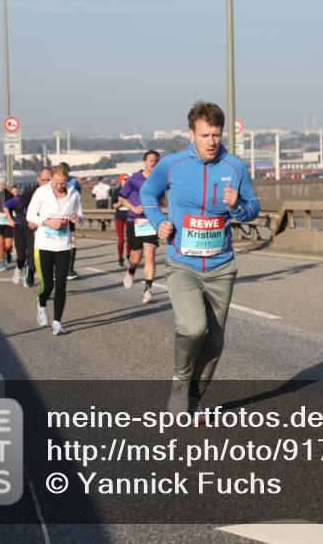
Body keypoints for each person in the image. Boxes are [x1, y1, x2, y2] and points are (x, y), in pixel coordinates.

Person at [140, 101, 260, 415]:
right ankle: (180, 383)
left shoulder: (234, 167)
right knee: (194, 328)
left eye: (217, 135)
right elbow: (148, 195)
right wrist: (159, 222)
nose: (211, 142)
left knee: (215, 341)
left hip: (221, 266)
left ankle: (195, 396)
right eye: (205, 135)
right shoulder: (172, 165)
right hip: (182, 262)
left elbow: (253, 208)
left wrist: (237, 206)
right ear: (192, 132)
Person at [26, 165, 84, 336]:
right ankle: (41, 304)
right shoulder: (42, 192)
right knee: (48, 285)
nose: (60, 186)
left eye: (62, 183)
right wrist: (47, 222)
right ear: (51, 179)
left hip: (64, 244)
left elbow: (80, 213)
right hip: (44, 244)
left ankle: (57, 322)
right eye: (57, 183)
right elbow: (30, 215)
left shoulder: (73, 193)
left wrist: (77, 218)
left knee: (61, 285)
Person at [119, 150, 161, 303]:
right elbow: (121, 198)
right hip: (135, 221)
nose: (154, 163)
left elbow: (163, 197)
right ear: (145, 162)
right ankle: (130, 271)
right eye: (151, 160)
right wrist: (134, 208)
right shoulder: (134, 179)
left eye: (156, 161)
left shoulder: (159, 179)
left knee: (150, 256)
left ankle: (148, 291)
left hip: (151, 221)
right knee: (135, 258)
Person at [7, 167, 50, 287]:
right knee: (21, 256)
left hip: (39, 230)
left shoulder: (53, 193)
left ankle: (29, 274)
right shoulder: (30, 192)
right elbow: (18, 209)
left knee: (33, 256)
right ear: (38, 179)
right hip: (23, 227)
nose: (46, 183)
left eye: (49, 180)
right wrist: (27, 223)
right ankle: (18, 269)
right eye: (44, 180)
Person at [60, 163, 81, 280]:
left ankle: (69, 269)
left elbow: (76, 196)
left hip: (69, 215)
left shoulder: (73, 182)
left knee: (71, 241)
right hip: (57, 215)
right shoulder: (73, 181)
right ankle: (65, 268)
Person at [111, 173, 131, 267]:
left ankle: (128, 257)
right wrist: (119, 203)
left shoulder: (132, 190)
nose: (126, 181)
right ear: (120, 180)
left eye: (128, 179)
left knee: (130, 239)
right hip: (119, 216)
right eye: (124, 179)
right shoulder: (116, 191)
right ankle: (120, 259)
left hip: (129, 216)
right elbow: (113, 205)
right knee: (121, 240)